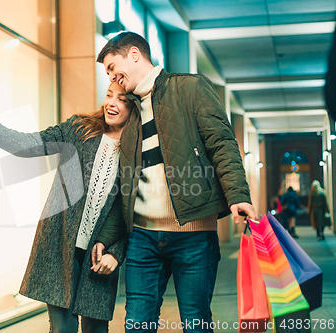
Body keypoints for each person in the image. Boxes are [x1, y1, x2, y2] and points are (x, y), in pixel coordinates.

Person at [96, 31, 257, 333]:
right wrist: (107, 237)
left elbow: (222, 144)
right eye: (107, 73)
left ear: (134, 54)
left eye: (112, 67)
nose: (111, 77)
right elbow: (125, 188)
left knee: (196, 322)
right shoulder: (129, 112)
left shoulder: (190, 88)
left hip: (194, 235)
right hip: (142, 238)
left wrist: (238, 195)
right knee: (137, 324)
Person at [0, 82, 131, 333]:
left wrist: (115, 253)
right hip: (59, 247)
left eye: (122, 99)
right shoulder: (79, 129)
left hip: (99, 256)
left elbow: (130, 212)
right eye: (108, 95)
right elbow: (31, 144)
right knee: (63, 329)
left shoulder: (136, 150)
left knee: (96, 329)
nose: (111, 103)